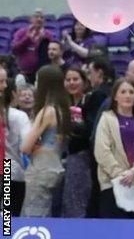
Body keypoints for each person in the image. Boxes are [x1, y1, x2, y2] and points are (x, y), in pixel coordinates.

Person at [94, 78, 134, 219]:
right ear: (115, 96)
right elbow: (102, 150)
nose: (128, 95)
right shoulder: (106, 119)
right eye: (123, 92)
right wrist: (120, 175)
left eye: (131, 92)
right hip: (112, 183)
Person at [21, 64, 70, 216]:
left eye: (37, 81)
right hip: (54, 167)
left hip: (40, 170)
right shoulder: (63, 109)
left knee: (33, 218)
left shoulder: (47, 111)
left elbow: (25, 147)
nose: (35, 85)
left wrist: (33, 147)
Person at [61, 67, 92, 217]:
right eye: (68, 80)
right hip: (62, 157)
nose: (72, 83)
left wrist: (77, 125)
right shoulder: (62, 104)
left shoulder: (90, 101)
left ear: (84, 82)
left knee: (76, 199)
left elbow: (91, 132)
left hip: (82, 157)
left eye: (75, 79)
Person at [1, 65, 30, 215]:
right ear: (13, 94)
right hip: (11, 170)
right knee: (9, 219)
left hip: (7, 170)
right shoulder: (20, 116)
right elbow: (27, 145)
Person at [11, 9, 53, 83]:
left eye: (42, 17)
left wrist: (45, 41)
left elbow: (52, 51)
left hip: (40, 74)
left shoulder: (48, 35)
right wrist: (27, 39)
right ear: (31, 19)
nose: (39, 19)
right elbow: (14, 49)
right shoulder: (22, 32)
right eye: (37, 16)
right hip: (24, 73)